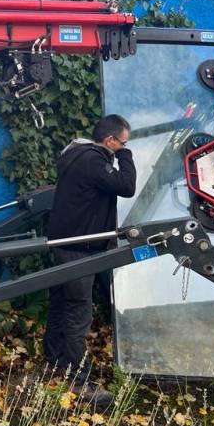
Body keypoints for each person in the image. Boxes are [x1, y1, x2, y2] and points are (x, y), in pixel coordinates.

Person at [44, 114, 136, 401]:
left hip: (65, 244)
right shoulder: (92, 160)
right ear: (110, 141)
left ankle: (56, 363)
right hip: (78, 249)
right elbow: (127, 186)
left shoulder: (77, 155)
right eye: (122, 142)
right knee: (77, 312)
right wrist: (127, 156)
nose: (123, 147)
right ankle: (78, 381)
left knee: (60, 304)